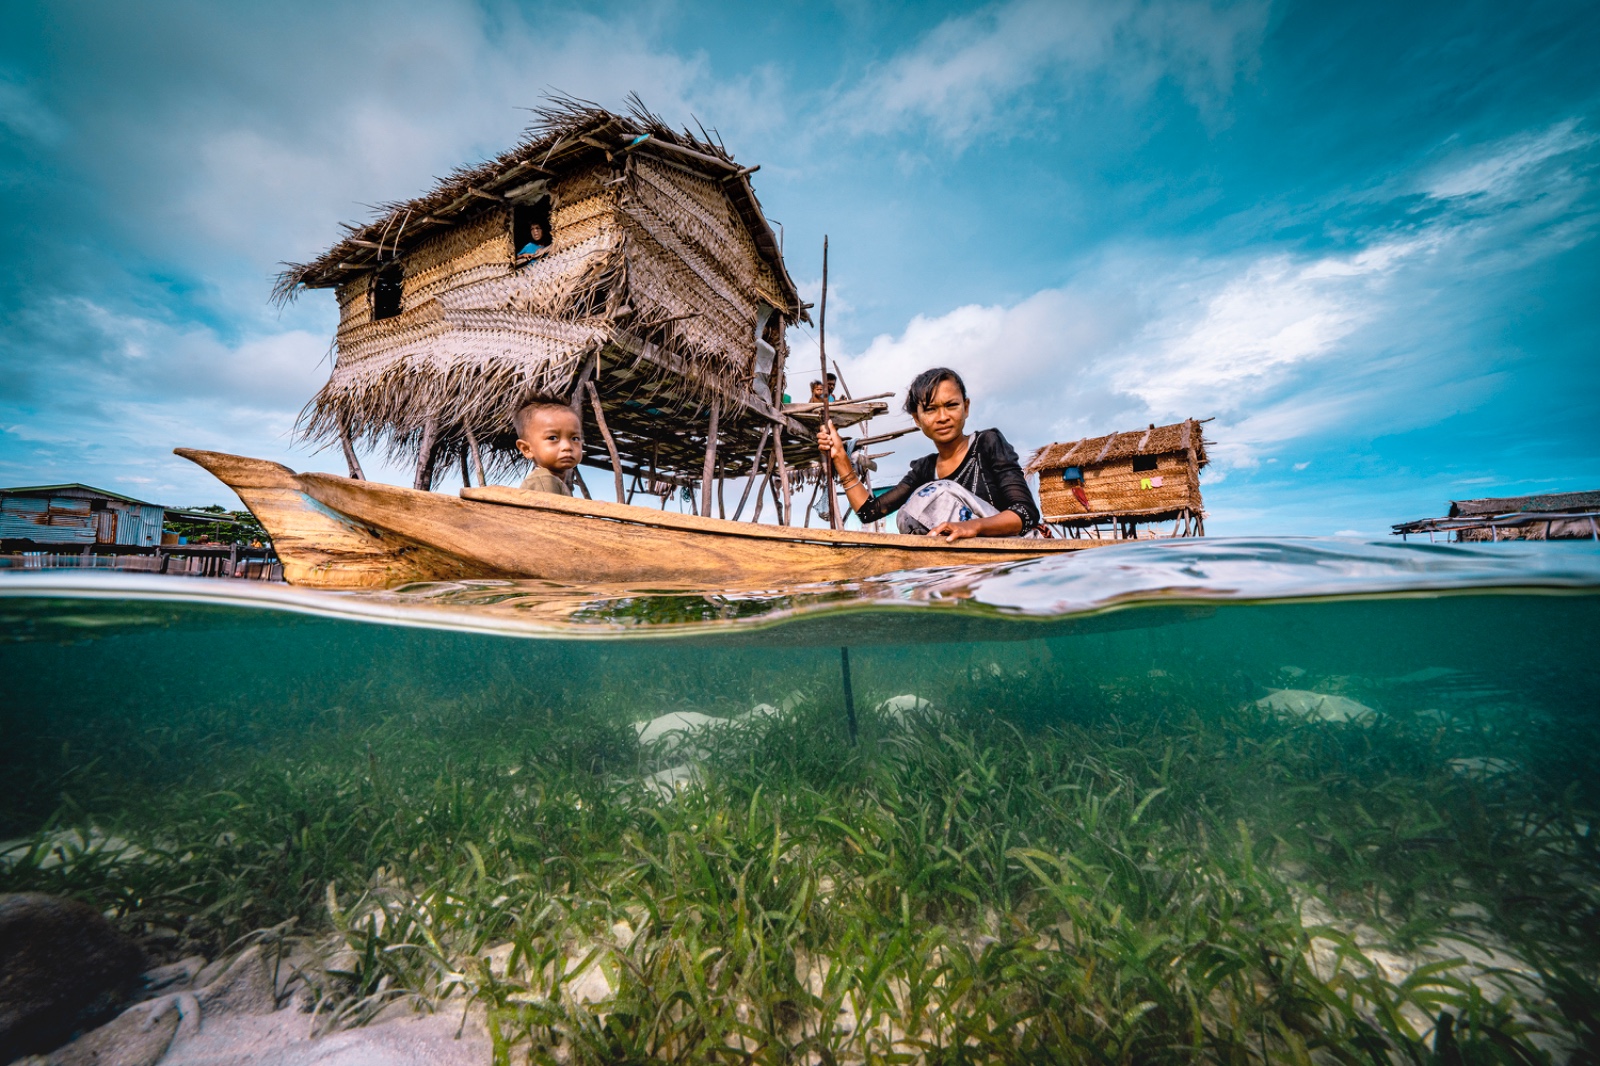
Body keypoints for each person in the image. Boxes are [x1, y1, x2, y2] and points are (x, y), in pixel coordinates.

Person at [816, 367, 1039, 540]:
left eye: (951, 405)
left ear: (966, 408)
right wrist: (841, 460)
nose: (942, 417)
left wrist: (970, 526)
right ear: (917, 418)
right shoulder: (924, 469)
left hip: (1011, 549)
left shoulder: (988, 443)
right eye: (930, 409)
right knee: (908, 512)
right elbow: (869, 512)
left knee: (938, 492)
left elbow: (1025, 512)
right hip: (962, 566)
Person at [513, 395, 582, 495]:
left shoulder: (551, 480)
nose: (567, 446)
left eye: (575, 438)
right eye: (552, 438)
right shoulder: (544, 481)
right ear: (526, 449)